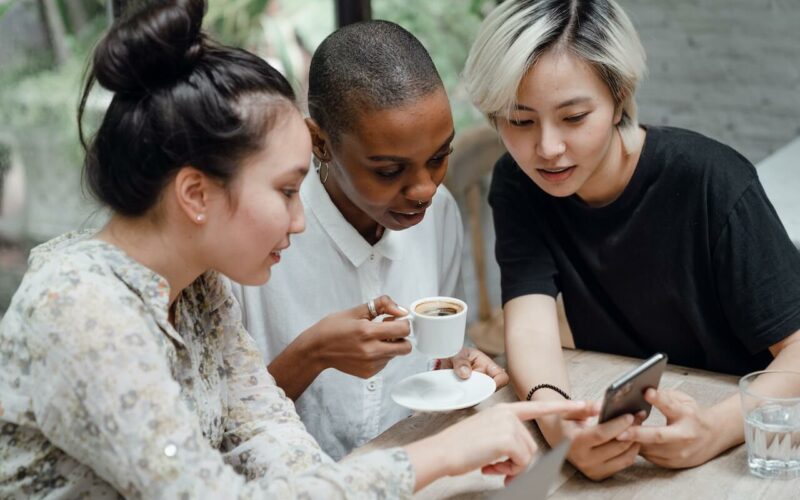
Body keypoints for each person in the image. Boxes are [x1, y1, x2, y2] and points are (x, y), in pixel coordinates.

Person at [0, 1, 596, 497]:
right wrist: (434, 458)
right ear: (195, 193)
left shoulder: (201, 289)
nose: (301, 218)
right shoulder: (81, 307)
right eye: (287, 190)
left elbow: (268, 441)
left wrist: (445, 457)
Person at [462, 0, 800, 481]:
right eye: (520, 121)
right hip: (629, 429)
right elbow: (531, 327)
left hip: (754, 443)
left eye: (574, 117)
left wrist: (716, 428)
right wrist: (560, 428)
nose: (547, 148)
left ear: (620, 95)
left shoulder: (712, 179)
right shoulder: (519, 184)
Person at [232, 20, 508, 460]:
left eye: (439, 158)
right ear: (319, 142)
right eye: (388, 171)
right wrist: (311, 355)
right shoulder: (256, 243)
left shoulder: (440, 217)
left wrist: (457, 362)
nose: (425, 190)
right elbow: (219, 432)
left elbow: (439, 361)